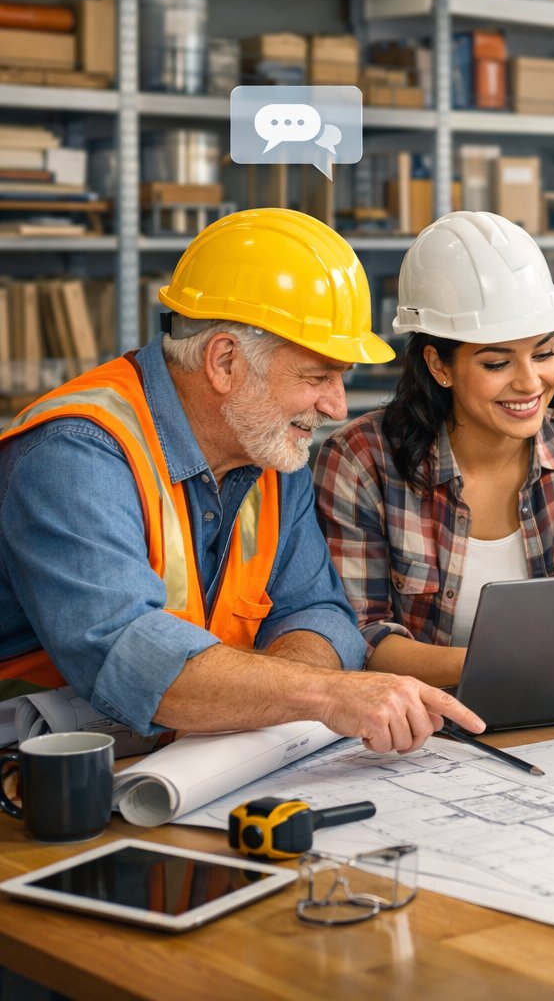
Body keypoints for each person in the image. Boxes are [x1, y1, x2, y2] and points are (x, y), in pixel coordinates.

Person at [0, 208, 483, 754]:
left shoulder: (271, 450)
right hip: (37, 775)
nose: (335, 405)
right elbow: (130, 658)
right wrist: (323, 694)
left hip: (195, 757)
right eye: (316, 376)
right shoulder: (76, 455)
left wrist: (269, 695)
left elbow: (318, 615)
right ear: (225, 360)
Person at [314, 212, 554, 687]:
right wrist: (507, 668)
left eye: (543, 352)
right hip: (417, 726)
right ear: (439, 365)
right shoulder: (362, 461)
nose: (530, 382)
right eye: (497, 362)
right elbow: (357, 638)